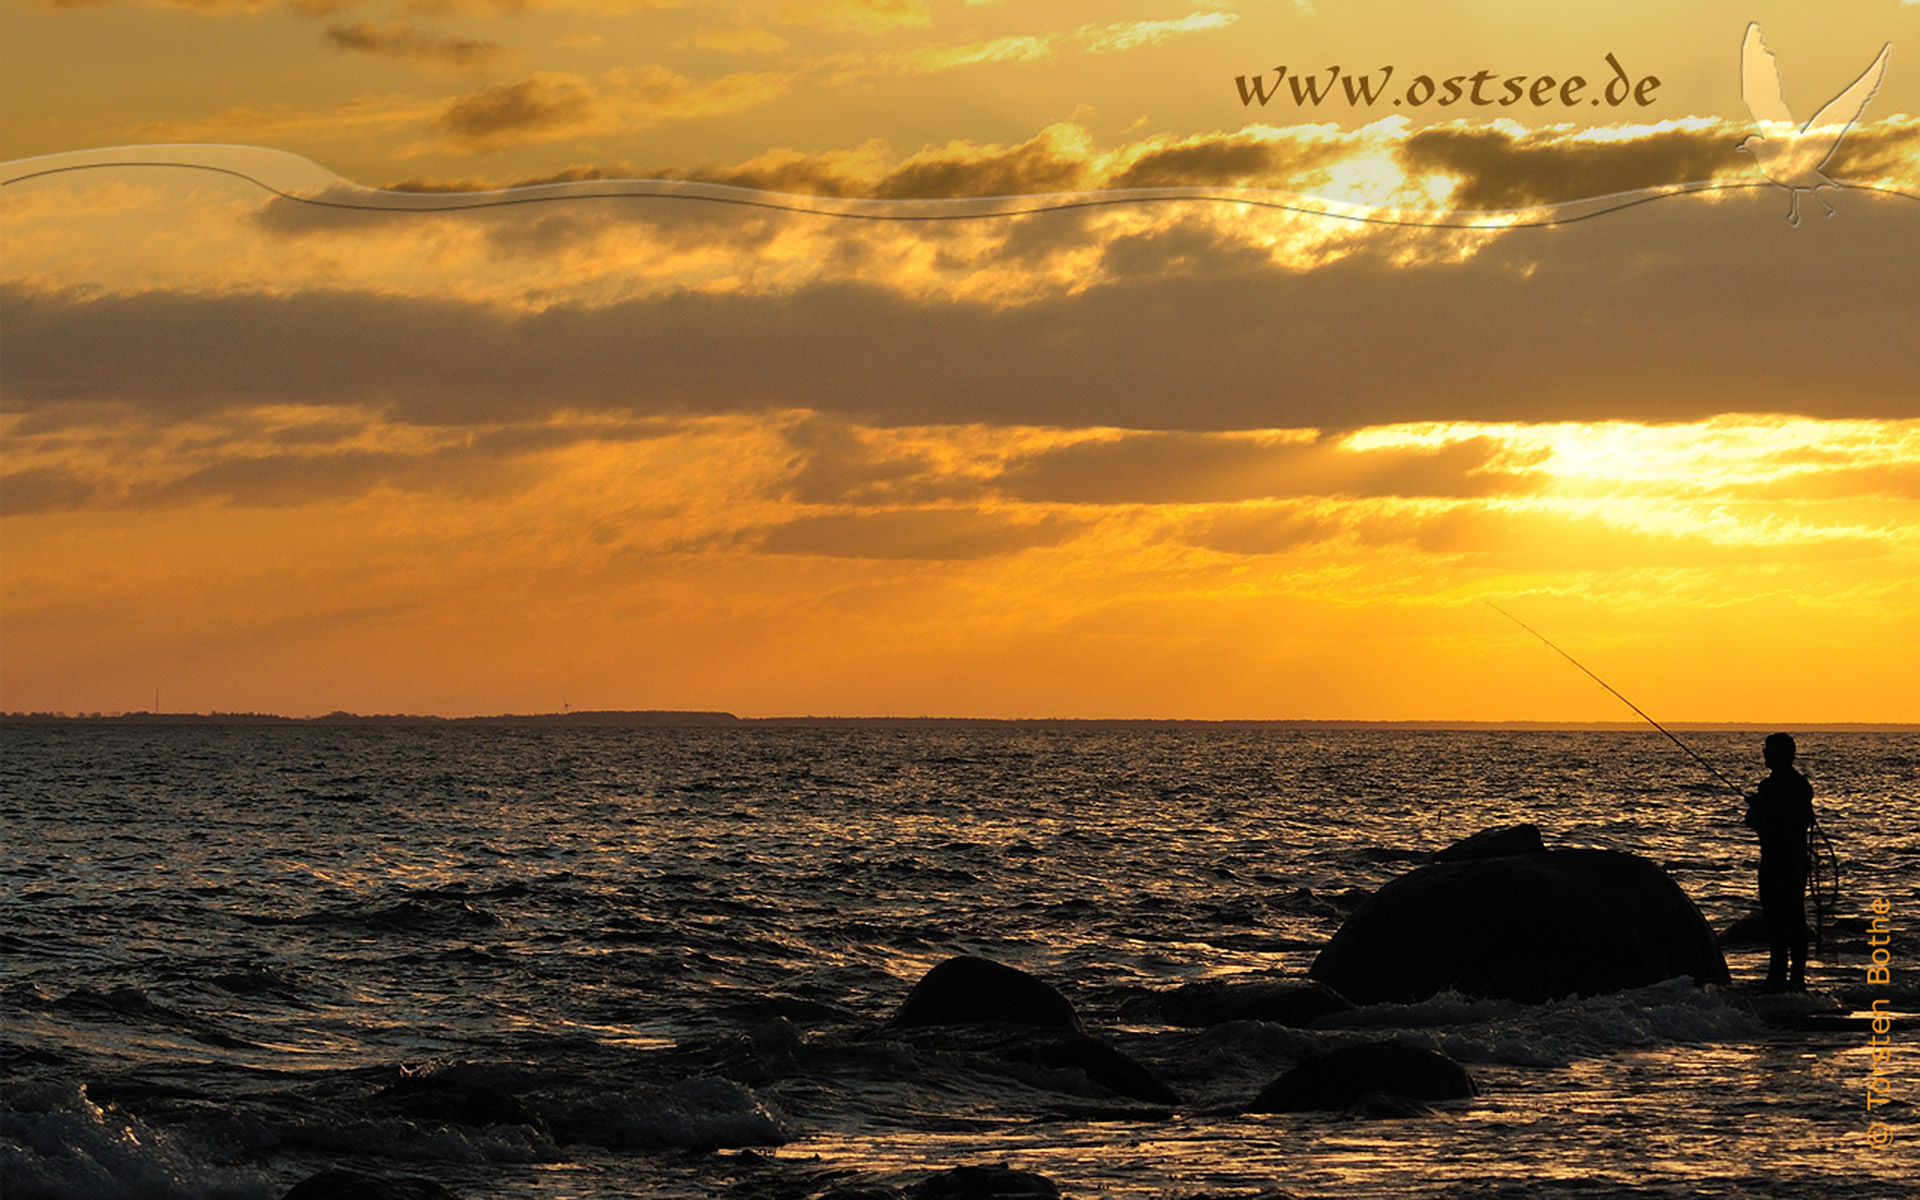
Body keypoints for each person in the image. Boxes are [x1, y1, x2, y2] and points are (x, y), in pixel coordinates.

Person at [1743, 732, 1815, 992]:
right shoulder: (1801, 786)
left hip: (1777, 861)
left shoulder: (1770, 787)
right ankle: (1796, 978)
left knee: (1778, 920)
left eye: (1769, 750)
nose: (1764, 754)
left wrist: (1758, 808)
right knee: (1794, 918)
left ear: (1782, 754)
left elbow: (1755, 820)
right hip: (1795, 861)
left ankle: (1778, 977)